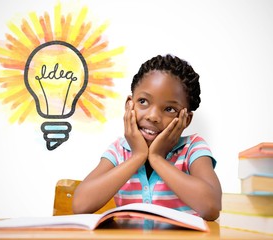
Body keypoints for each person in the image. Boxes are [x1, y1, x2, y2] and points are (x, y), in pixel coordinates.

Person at [72, 54, 222, 221]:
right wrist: (137, 156)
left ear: (185, 119)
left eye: (169, 109)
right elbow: (80, 204)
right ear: (129, 104)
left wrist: (157, 158)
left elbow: (211, 207)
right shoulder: (119, 151)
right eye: (143, 101)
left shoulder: (192, 148)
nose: (152, 116)